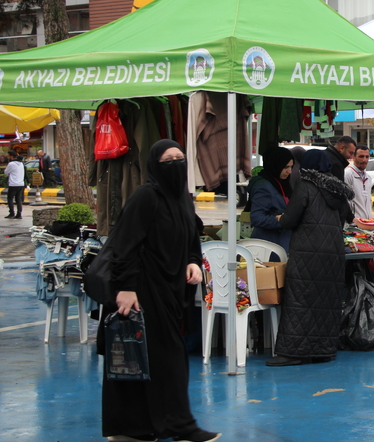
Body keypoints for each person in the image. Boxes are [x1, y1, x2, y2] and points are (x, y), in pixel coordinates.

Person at [99, 140, 220, 442]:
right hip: (142, 290)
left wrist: (193, 262)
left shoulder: (182, 199)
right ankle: (180, 426)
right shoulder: (145, 197)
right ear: (155, 164)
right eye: (168, 160)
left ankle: (133, 429)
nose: (176, 164)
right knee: (163, 359)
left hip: (170, 292)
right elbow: (123, 245)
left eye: (180, 158)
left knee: (146, 358)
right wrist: (126, 289)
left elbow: (191, 237)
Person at [267, 150, 354, 366]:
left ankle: (293, 353)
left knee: (299, 300)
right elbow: (344, 218)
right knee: (326, 301)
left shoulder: (305, 186)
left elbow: (290, 220)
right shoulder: (338, 190)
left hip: (307, 251)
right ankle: (323, 350)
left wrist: (280, 217)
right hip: (333, 251)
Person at [246, 146, 294, 255]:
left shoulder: (280, 183)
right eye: (286, 167)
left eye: (291, 167)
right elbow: (257, 218)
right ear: (276, 164)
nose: (290, 171)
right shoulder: (263, 186)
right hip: (269, 247)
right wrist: (283, 220)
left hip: (280, 243)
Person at [344, 145, 373, 219]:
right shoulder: (347, 175)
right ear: (353, 157)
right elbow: (345, 201)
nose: (364, 160)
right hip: (354, 224)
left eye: (367, 157)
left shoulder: (368, 178)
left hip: (366, 223)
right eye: (361, 156)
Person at [4, 150, 25, 219]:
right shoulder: (21, 164)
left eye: (9, 156)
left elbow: (6, 172)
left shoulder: (11, 164)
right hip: (21, 184)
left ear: (12, 156)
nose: (8, 157)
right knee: (18, 199)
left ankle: (12, 213)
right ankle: (19, 214)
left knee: (10, 198)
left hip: (13, 184)